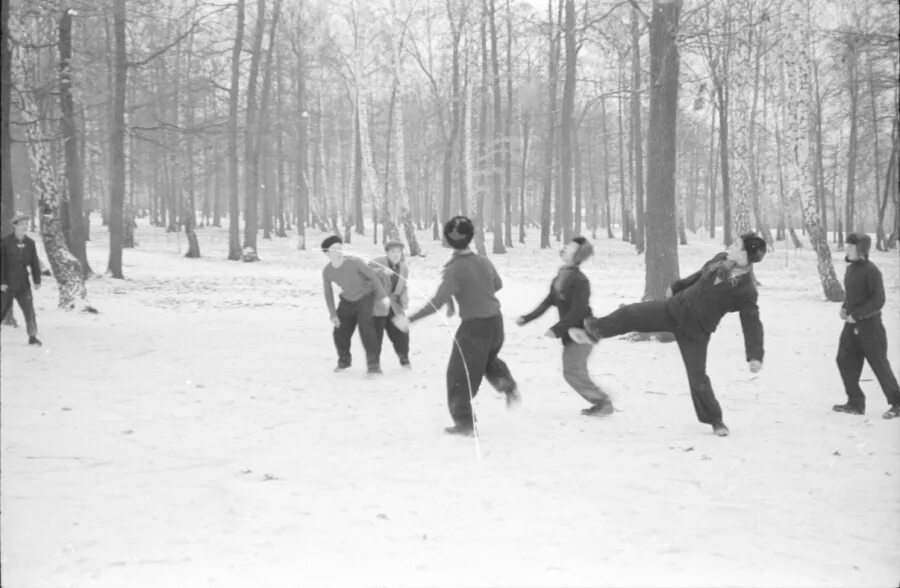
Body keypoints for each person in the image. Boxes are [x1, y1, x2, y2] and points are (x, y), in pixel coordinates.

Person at [571, 232, 768, 437]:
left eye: (737, 245)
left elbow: (751, 322)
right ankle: (594, 330)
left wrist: (755, 356)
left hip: (696, 332)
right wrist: (677, 287)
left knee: (697, 377)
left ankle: (716, 420)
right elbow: (698, 276)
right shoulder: (720, 260)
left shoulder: (745, 290)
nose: (731, 245)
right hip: (673, 310)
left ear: (746, 255)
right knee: (629, 313)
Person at [395, 216, 520, 436]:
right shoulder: (482, 260)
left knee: (458, 376)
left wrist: (409, 320)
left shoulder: (455, 269)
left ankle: (465, 424)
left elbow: (437, 301)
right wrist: (472, 294)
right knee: (486, 359)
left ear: (447, 240)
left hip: (474, 329)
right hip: (495, 324)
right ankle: (506, 383)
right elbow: (497, 284)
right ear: (470, 237)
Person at [517, 236, 613, 416]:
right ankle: (600, 402)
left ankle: (603, 402)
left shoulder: (580, 280)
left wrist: (556, 329)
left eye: (571, 247)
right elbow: (547, 302)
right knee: (573, 372)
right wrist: (526, 318)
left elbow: (578, 310)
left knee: (573, 372)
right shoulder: (561, 276)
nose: (566, 247)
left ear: (577, 255)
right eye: (567, 245)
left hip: (583, 333)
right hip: (571, 334)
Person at [833, 232, 900, 419]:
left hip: (871, 327)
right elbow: (852, 295)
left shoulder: (872, 271)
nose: (847, 249)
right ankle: (855, 402)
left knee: (879, 364)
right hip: (851, 326)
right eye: (847, 246)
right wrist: (845, 308)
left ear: (861, 250)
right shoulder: (851, 269)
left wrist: (858, 314)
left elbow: (879, 299)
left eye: (851, 247)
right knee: (844, 360)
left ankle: (897, 403)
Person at [321, 235, 389, 375]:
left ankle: (374, 367)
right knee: (339, 333)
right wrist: (333, 314)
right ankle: (344, 361)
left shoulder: (354, 262)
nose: (338, 251)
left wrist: (382, 296)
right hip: (346, 302)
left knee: (367, 332)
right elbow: (328, 294)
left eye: (340, 248)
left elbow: (373, 276)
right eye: (334, 249)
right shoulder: (327, 271)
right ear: (327, 253)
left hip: (364, 298)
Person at [0, 213, 42, 346]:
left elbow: (34, 262)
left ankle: (33, 337)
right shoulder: (5, 242)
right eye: (22, 224)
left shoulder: (30, 243)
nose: (25, 227)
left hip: (24, 285)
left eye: (26, 224)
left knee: (29, 312)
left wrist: (37, 280)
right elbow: (1, 263)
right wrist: (2, 282)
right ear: (15, 225)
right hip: (7, 285)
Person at [370, 240, 411, 368]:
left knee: (402, 333)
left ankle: (404, 359)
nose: (396, 254)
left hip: (395, 306)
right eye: (392, 251)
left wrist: (404, 297)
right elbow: (366, 275)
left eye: (398, 252)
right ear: (387, 253)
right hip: (377, 305)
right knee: (376, 337)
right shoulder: (377, 262)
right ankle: (373, 364)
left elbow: (403, 286)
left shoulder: (404, 268)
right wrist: (382, 271)